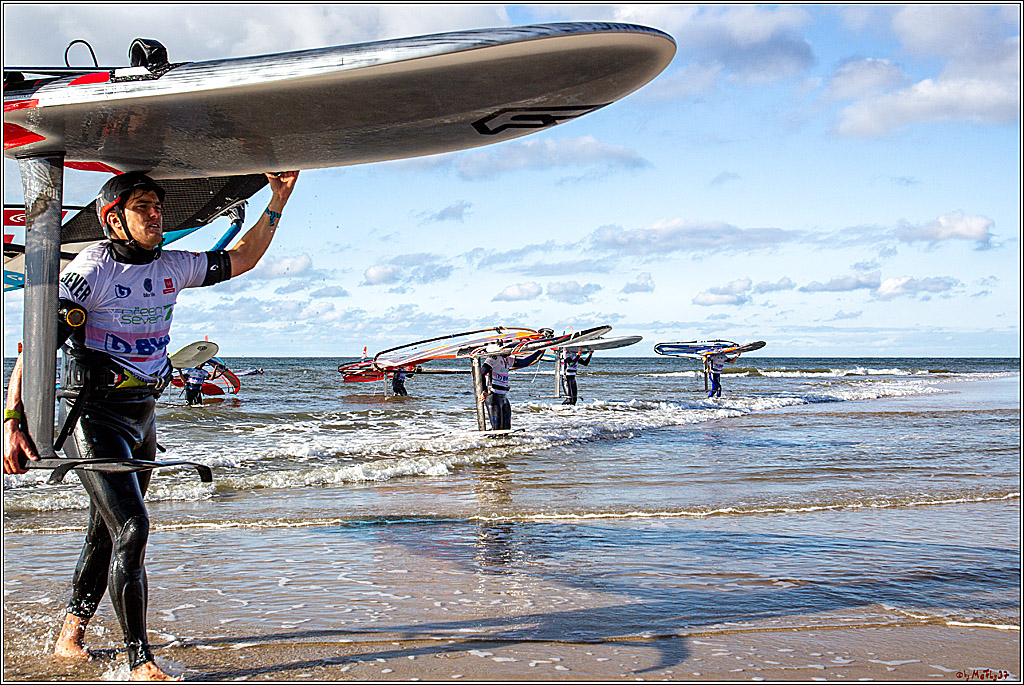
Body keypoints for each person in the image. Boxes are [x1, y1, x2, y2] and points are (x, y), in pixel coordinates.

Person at [3, 169, 298, 681]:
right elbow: (39, 338)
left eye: (158, 206)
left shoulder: (173, 266)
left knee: (108, 530)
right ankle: (140, 661)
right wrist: (11, 420)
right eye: (144, 207)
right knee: (133, 527)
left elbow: (243, 258)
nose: (157, 215)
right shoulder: (91, 271)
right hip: (91, 414)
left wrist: (278, 199)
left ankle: (69, 635)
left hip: (142, 416)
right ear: (114, 218)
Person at [479, 349, 544, 430]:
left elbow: (524, 362)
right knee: (497, 430)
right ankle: (492, 442)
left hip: (503, 397)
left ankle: (509, 442)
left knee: (506, 429)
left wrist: (539, 352)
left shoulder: (508, 359)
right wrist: (484, 391)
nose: (511, 351)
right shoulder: (494, 358)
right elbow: (481, 373)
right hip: (493, 396)